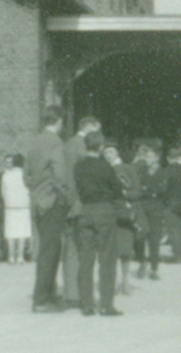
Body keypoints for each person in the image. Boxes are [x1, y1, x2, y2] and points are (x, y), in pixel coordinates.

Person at [25, 108, 75, 313]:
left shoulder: (35, 141)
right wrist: (67, 196)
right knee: (51, 250)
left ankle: (48, 295)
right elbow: (61, 173)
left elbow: (26, 175)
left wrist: (36, 192)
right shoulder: (55, 142)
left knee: (47, 248)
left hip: (38, 202)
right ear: (59, 120)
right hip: (53, 201)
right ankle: (41, 299)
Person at [73, 132, 124, 316]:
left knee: (86, 259)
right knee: (107, 259)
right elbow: (118, 190)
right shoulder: (105, 166)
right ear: (101, 147)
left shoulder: (78, 166)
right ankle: (106, 304)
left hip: (85, 211)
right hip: (104, 211)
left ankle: (86, 304)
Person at [60, 116, 102, 307]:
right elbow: (79, 177)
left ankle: (71, 293)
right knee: (79, 249)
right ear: (88, 127)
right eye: (97, 129)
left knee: (72, 249)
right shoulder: (81, 145)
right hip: (80, 203)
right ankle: (76, 294)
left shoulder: (69, 144)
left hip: (71, 201)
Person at [104, 143, 140, 295]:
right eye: (105, 152)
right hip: (108, 213)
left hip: (123, 214)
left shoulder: (128, 169)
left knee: (125, 250)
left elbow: (137, 191)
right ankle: (110, 284)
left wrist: (124, 194)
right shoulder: (102, 169)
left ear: (117, 152)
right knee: (109, 251)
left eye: (111, 151)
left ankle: (125, 282)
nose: (108, 155)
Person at [135, 145, 167, 280]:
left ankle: (154, 268)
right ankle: (142, 262)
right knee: (140, 237)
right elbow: (138, 188)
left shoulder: (164, 172)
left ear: (156, 158)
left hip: (156, 209)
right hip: (142, 208)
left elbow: (163, 191)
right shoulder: (141, 171)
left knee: (154, 239)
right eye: (145, 156)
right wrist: (151, 191)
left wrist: (147, 190)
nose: (145, 159)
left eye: (148, 156)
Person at [160, 146, 181, 263]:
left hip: (170, 205)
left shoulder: (166, 171)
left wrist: (164, 200)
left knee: (172, 231)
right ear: (178, 158)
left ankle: (177, 257)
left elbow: (163, 189)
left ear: (169, 158)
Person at [2, 153, 32, 264]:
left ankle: (11, 256)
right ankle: (20, 256)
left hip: (10, 207)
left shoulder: (6, 176)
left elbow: (3, 193)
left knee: (11, 232)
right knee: (22, 232)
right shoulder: (26, 177)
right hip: (24, 206)